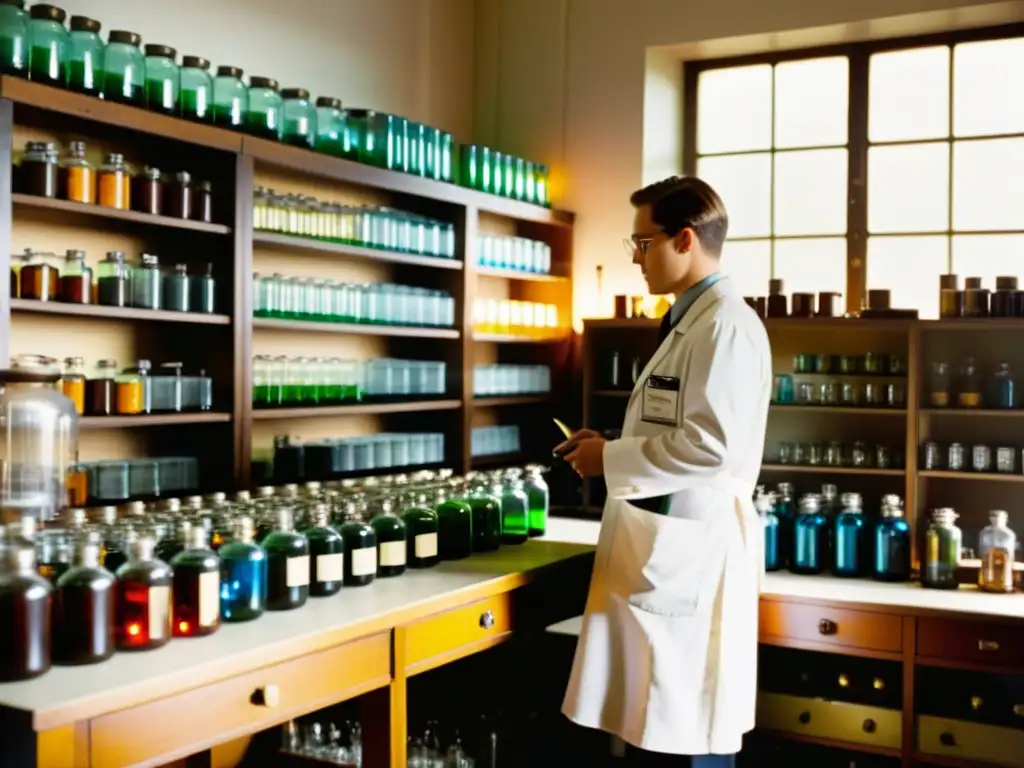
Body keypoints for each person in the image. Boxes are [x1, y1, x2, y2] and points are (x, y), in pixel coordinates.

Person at [556, 176, 771, 767]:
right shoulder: (688, 323)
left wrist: (611, 460)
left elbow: (712, 448)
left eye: (641, 244)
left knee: (681, 740)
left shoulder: (725, 326)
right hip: (665, 551)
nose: (635, 260)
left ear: (683, 240)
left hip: (690, 562)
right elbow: (677, 429)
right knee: (655, 733)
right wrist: (611, 445)